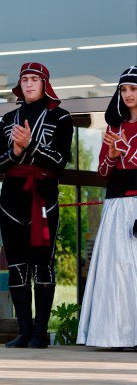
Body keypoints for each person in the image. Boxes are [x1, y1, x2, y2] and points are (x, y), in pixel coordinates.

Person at [0, 62, 73, 348]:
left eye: (34, 79)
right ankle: (24, 331)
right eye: (24, 79)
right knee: (16, 267)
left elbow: (60, 161)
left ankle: (40, 333)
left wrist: (30, 146)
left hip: (43, 197)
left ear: (45, 84)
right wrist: (15, 151)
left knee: (43, 266)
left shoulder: (61, 117)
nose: (28, 84)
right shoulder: (7, 119)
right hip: (11, 198)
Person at [78, 66, 137, 349]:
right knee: (117, 269)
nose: (128, 94)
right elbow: (102, 172)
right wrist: (113, 154)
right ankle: (116, 333)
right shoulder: (114, 127)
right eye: (123, 89)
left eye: (133, 89)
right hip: (116, 205)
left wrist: (127, 151)